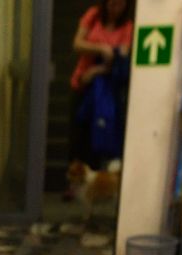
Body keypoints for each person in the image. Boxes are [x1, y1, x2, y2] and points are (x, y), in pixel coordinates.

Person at [68, 0, 133, 168]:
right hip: (83, 85)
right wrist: (102, 49)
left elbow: (122, 57)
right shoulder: (93, 15)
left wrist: (97, 70)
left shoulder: (127, 27)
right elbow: (77, 43)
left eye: (120, 5)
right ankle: (74, 181)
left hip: (108, 90)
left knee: (101, 138)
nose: (115, 9)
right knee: (78, 136)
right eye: (112, 4)